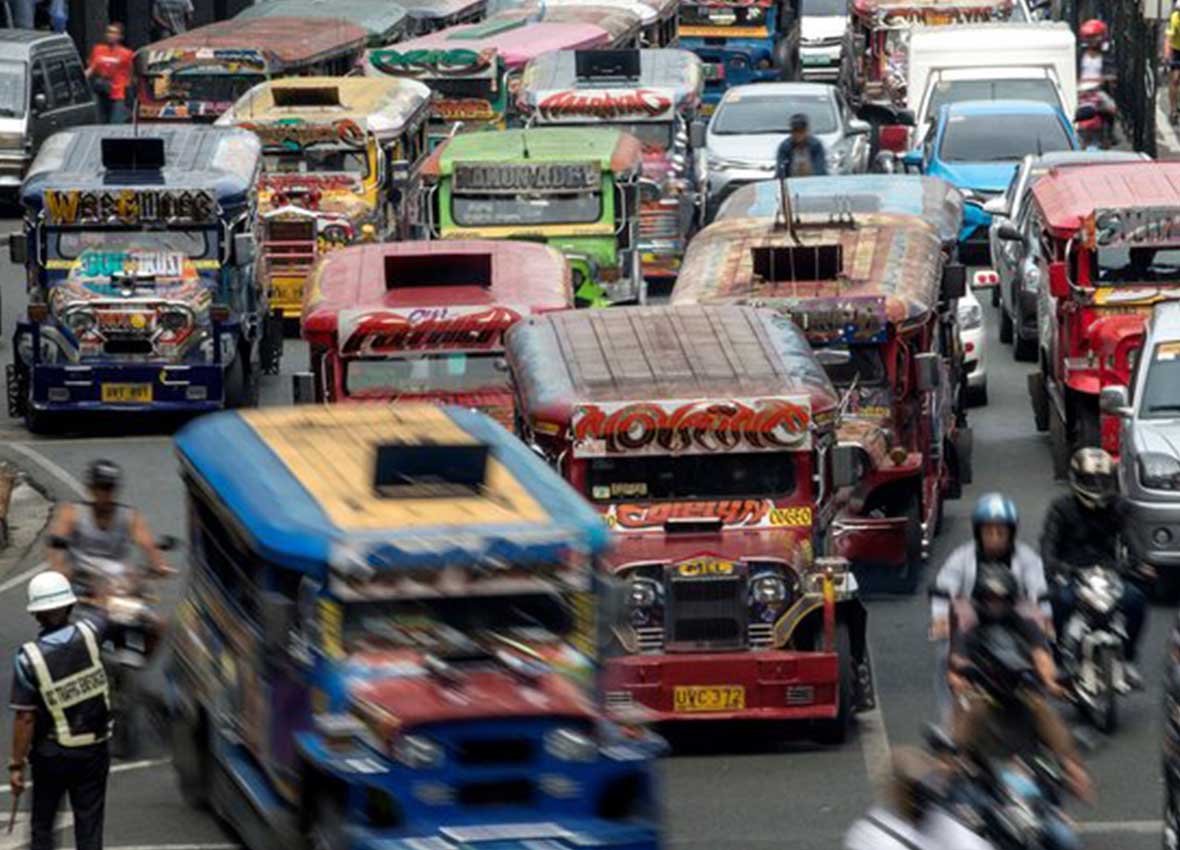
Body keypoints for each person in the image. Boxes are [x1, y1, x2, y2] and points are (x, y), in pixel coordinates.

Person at [947, 565, 1092, 850]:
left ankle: (1055, 811)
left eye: (1001, 600)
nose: (995, 605)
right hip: (986, 788)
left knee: (1066, 842)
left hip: (1027, 786)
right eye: (990, 599)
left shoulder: (1032, 703)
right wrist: (962, 680)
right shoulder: (975, 705)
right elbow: (957, 662)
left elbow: (1041, 655)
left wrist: (1073, 767)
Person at [9, 571, 112, 850]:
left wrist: (16, 765)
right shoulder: (92, 632)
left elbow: (25, 718)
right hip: (94, 749)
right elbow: (106, 611)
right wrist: (95, 592)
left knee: (43, 826)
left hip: (51, 755)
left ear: (36, 614)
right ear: (70, 605)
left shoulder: (28, 659)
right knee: (89, 826)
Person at [929, 492, 1052, 721]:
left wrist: (1045, 618)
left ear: (1011, 533)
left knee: (1044, 651)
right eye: (989, 531)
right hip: (971, 622)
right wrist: (941, 618)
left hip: (1014, 621)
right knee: (945, 657)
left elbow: (1039, 589)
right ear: (979, 533)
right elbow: (944, 587)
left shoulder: (1027, 558)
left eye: (1000, 532)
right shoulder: (962, 557)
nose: (995, 537)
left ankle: (1040, 712)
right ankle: (949, 721)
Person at [1040, 447, 1147, 688]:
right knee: (1060, 602)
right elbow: (1048, 545)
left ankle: (1129, 657)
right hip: (1072, 573)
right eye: (1091, 481)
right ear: (1076, 479)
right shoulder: (1061, 508)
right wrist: (1054, 566)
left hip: (1108, 575)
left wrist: (1137, 564)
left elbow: (1133, 541)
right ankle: (1060, 658)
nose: (1098, 487)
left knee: (1136, 600)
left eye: (1103, 480)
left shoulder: (1119, 508)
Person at [46, 460, 173, 588]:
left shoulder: (129, 516)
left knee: (142, 594)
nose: (105, 494)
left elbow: (147, 543)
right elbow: (56, 541)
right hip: (80, 580)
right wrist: (59, 569)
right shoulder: (72, 512)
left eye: (109, 488)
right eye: (100, 488)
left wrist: (159, 564)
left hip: (117, 582)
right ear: (91, 488)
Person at [85, 24, 134, 125]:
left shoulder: (126, 54)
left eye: (114, 33)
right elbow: (91, 68)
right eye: (109, 32)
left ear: (120, 36)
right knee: (100, 122)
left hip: (117, 93)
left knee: (115, 122)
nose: (110, 35)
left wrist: (128, 93)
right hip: (100, 92)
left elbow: (131, 74)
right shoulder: (98, 50)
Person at [1077, 19, 1117, 137]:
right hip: (1080, 91)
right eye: (1089, 37)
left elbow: (1112, 73)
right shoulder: (1079, 54)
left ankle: (1109, 134)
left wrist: (1106, 80)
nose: (1092, 41)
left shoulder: (1107, 56)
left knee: (1111, 107)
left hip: (1098, 91)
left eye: (1095, 37)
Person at [775, 113, 827, 179]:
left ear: (807, 131)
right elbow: (781, 171)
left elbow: (820, 169)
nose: (798, 134)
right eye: (795, 131)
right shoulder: (785, 147)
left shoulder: (816, 146)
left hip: (813, 181)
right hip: (791, 181)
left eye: (801, 131)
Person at [1168, 1, 1180, 123]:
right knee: (1175, 79)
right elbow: (1169, 37)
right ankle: (1173, 109)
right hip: (1177, 50)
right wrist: (1167, 54)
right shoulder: (1175, 18)